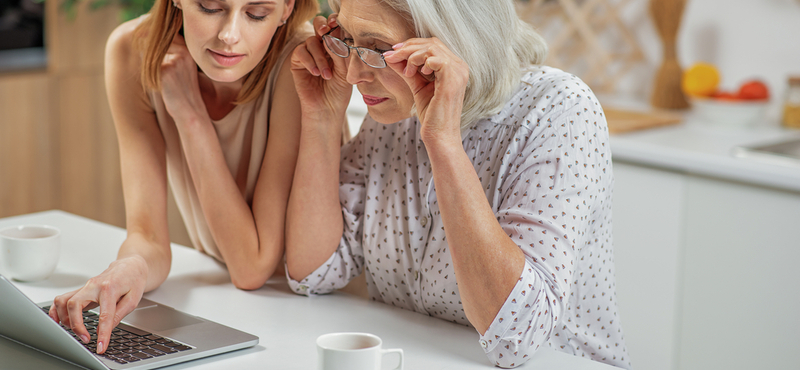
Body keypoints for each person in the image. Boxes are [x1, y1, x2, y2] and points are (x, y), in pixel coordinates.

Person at [285, 0, 632, 368]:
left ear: (453, 42)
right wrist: (321, 117)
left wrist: (444, 142)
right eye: (348, 39)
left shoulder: (560, 109)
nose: (353, 73)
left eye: (379, 49)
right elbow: (314, 273)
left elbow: (517, 337)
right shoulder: (395, 110)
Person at [47, 0, 321, 356]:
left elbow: (252, 268)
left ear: (287, 9)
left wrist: (189, 114)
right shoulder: (134, 50)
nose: (229, 36)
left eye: (257, 14)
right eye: (209, 7)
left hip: (316, 311)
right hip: (244, 310)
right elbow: (147, 235)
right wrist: (128, 268)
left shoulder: (301, 62)